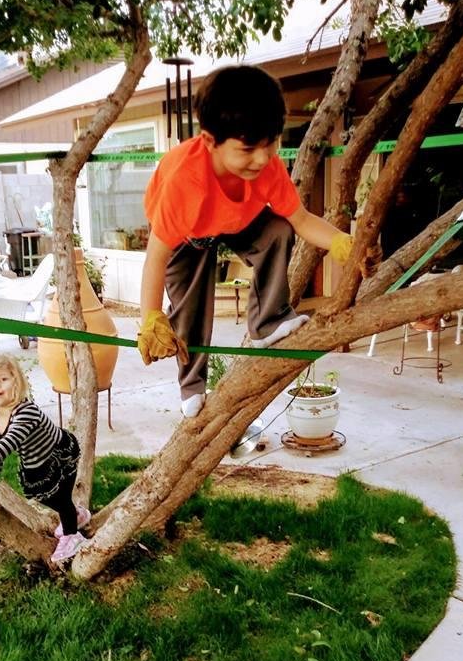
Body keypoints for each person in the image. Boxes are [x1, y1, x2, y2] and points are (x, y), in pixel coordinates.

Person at [137, 64, 376, 418]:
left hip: (235, 220)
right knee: (189, 313)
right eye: (248, 148)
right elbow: (156, 257)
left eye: (271, 143)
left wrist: (345, 244)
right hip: (187, 235)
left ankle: (268, 322)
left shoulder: (267, 167)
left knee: (278, 230)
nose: (262, 158)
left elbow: (301, 220)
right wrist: (151, 318)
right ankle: (191, 386)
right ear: (210, 141)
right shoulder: (185, 183)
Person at [0, 353, 91, 563]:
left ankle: (73, 535)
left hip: (59, 455)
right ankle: (77, 515)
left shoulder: (27, 411)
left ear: (16, 382)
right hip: (36, 461)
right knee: (41, 495)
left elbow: (11, 441)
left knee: (61, 498)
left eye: (3, 379)